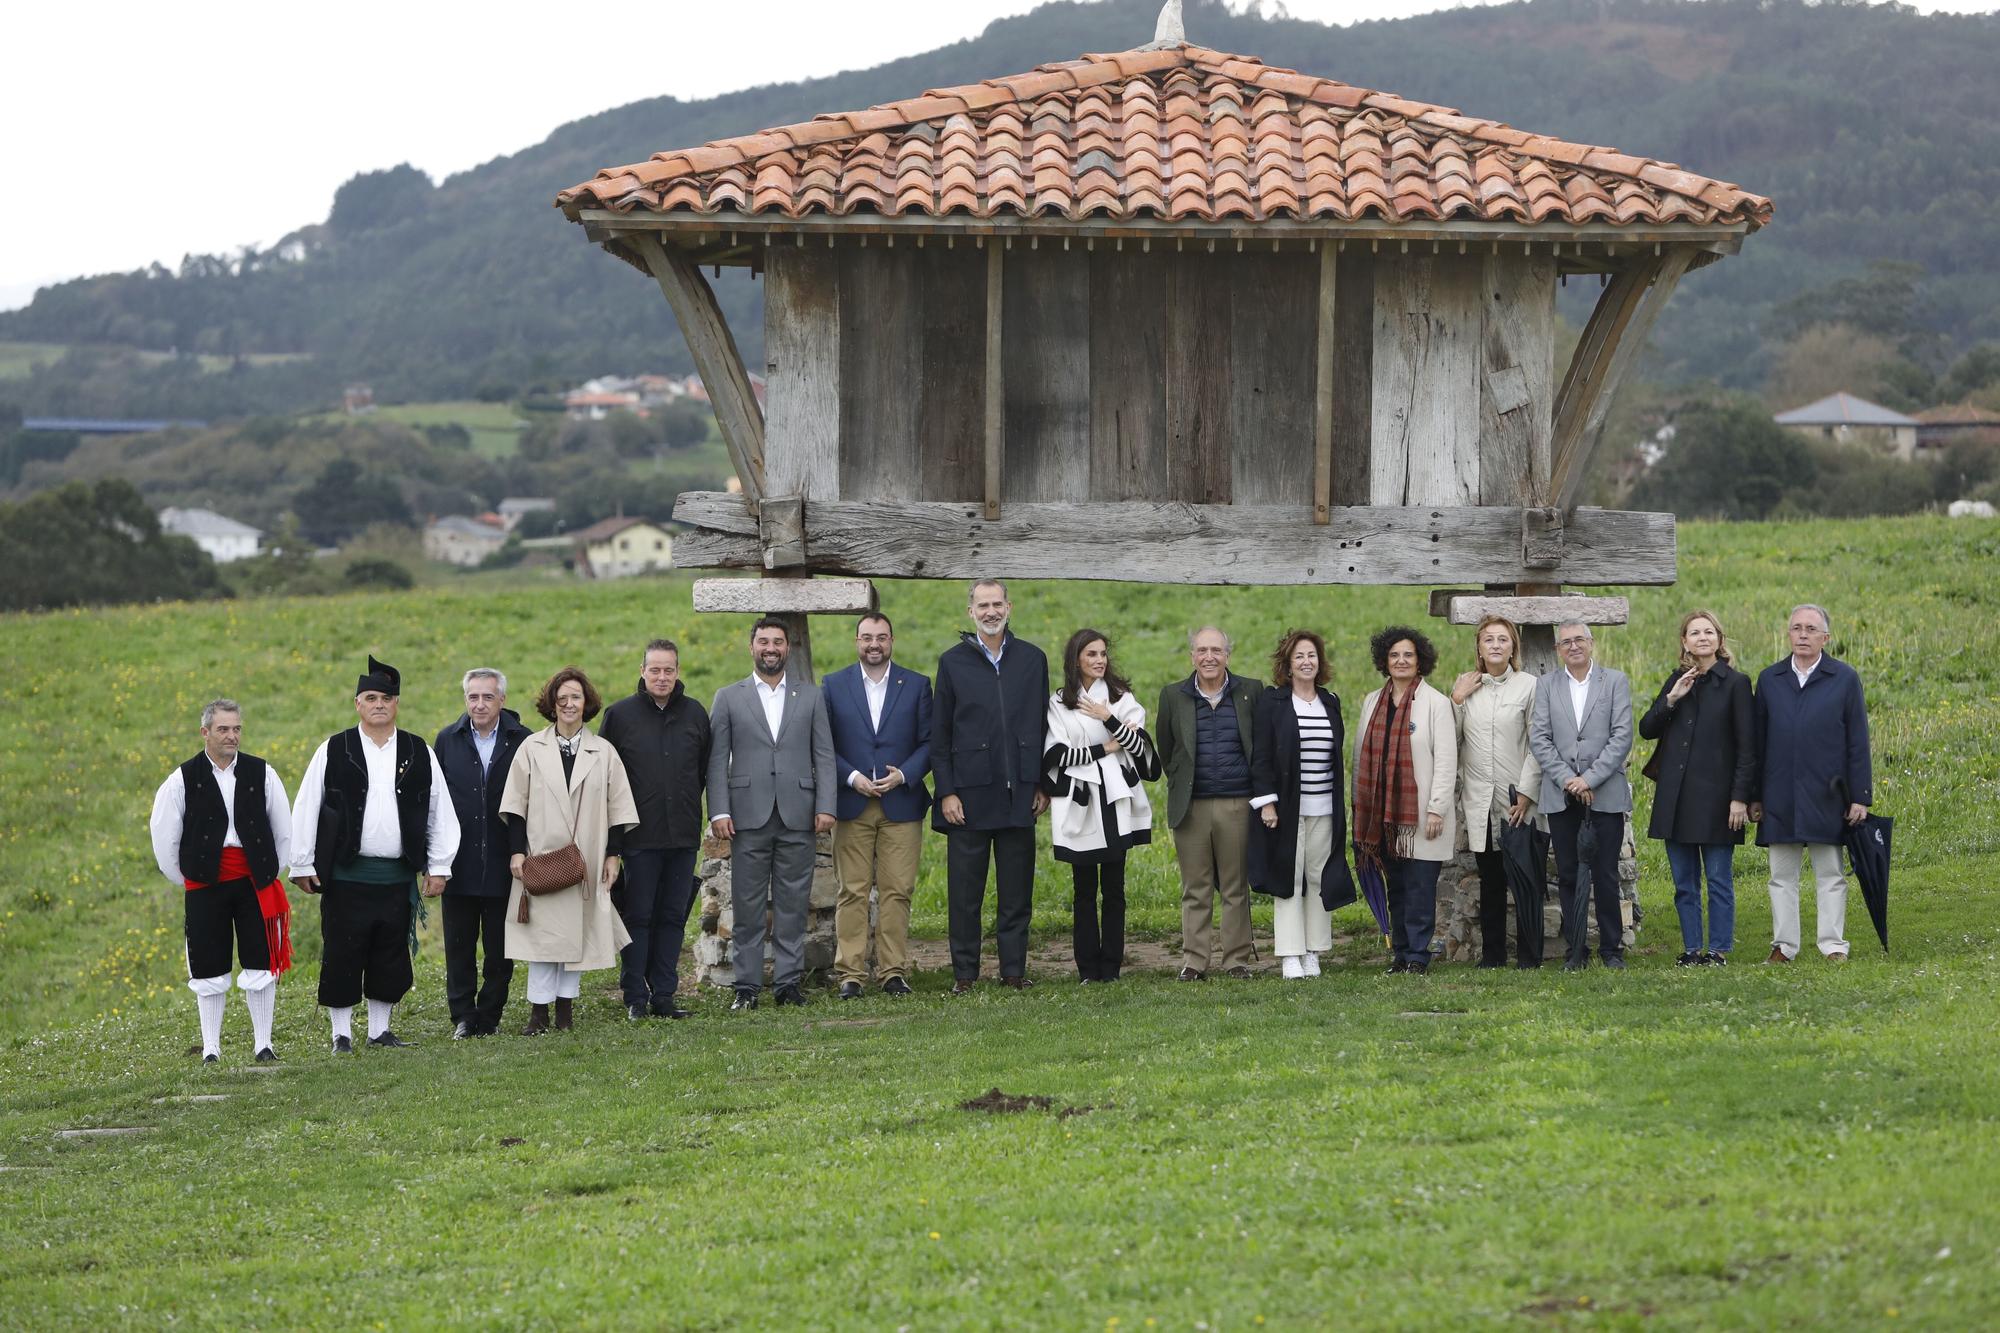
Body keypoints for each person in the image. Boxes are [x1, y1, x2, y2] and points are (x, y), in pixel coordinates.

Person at [291, 656, 460, 1051]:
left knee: (389, 954)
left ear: (397, 703)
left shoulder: (419, 751)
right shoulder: (334, 748)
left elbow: (439, 810)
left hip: (397, 875)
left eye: (386, 697)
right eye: (370, 697)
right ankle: (341, 1034)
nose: (379, 704)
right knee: (342, 951)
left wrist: (439, 865)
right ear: (357, 704)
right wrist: (301, 862)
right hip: (347, 873)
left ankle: (379, 1030)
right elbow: (307, 805)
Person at [149, 699, 294, 1064]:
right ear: (205, 733)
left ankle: (264, 1044)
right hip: (205, 884)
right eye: (223, 729)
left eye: (236, 729)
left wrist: (268, 870)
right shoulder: (181, 779)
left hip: (254, 882)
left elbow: (284, 829)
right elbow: (165, 836)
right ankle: (211, 1048)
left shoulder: (263, 773)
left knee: (260, 963)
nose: (232, 736)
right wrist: (187, 877)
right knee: (208, 964)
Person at [707, 619, 836, 1010]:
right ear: (751, 647)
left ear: (787, 649)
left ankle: (787, 983)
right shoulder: (729, 697)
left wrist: (827, 805)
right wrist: (719, 810)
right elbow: (716, 762)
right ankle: (746, 987)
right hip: (747, 815)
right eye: (763, 641)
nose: (771, 647)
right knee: (746, 906)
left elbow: (824, 756)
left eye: (778, 641)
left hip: (799, 813)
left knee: (793, 903)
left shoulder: (811, 696)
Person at [502, 666, 638, 1034]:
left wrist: (614, 855)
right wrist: (517, 852)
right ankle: (538, 1013)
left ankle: (565, 1011)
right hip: (541, 857)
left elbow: (618, 808)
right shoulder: (531, 748)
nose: (568, 704)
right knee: (542, 939)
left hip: (588, 859)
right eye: (561, 698)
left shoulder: (603, 752)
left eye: (575, 697)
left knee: (575, 939)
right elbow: (515, 804)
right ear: (551, 704)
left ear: (586, 702)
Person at [932, 579, 1051, 994]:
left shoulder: (1033, 660)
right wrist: (946, 791)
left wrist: (1040, 783)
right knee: (965, 895)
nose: (990, 611)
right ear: (971, 612)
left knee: (1016, 893)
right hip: (968, 796)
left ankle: (1013, 971)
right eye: (982, 605)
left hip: (1020, 791)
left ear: (1009, 607)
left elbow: (1042, 726)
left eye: (996, 604)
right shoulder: (952, 663)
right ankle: (965, 975)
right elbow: (940, 733)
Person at [1751, 603, 1872, 964]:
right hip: (1779, 794)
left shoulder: (1844, 678)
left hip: (1829, 794)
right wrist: (1755, 795)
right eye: (1796, 628)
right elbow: (1758, 743)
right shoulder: (1770, 679)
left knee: (1831, 874)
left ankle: (1833, 944)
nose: (1802, 635)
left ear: (1825, 637)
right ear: (1788, 634)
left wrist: (1860, 796)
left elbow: (1857, 742)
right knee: (1781, 875)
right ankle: (1784, 946)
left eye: (1810, 629)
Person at [599, 639, 712, 1020]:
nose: (661, 677)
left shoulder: (696, 714)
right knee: (638, 917)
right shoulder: (619, 716)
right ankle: (635, 996)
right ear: (642, 671)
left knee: (672, 917)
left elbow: (700, 772)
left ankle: (664, 995)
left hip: (681, 836)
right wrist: (612, 845)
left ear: (678, 672)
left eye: (668, 670)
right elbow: (607, 782)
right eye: (654, 670)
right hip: (637, 839)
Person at [823, 612, 931, 999]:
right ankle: (850, 973)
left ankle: (893, 972)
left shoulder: (917, 685)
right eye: (867, 637)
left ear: (892, 641)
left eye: (881, 637)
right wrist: (852, 777)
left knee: (897, 890)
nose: (874, 644)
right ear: (856, 641)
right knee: (851, 890)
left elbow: (929, 742)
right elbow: (825, 746)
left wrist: (903, 774)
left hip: (902, 803)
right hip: (852, 801)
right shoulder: (833, 686)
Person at [1638, 610, 1755, 966]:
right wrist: (1672, 697)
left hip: (1719, 799)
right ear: (1685, 642)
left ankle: (1717, 950)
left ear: (1719, 640)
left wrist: (1740, 798)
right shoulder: (1678, 679)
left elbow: (1747, 747)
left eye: (1708, 632)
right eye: (1694, 633)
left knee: (1719, 880)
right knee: (1684, 883)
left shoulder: (1736, 683)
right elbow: (1647, 728)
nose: (1702, 637)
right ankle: (1691, 949)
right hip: (1676, 798)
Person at [1044, 629, 1160, 984]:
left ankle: (1110, 967)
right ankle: (1086, 968)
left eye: (1103, 654)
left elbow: (1138, 745)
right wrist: (1104, 749)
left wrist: (1106, 716)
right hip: (1080, 803)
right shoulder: (1060, 701)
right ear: (1076, 658)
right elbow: (1057, 755)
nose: (1099, 660)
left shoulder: (1121, 698)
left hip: (1115, 803)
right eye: (1091, 654)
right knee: (1083, 890)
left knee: (1114, 888)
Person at [1155, 626, 1262, 981]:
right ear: (1192, 656)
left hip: (1237, 804)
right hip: (1193, 806)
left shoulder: (1250, 692)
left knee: (1234, 886)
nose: (1209, 657)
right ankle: (1194, 961)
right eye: (1202, 650)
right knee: (1195, 887)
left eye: (1216, 650)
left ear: (1227, 655)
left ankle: (1236, 960)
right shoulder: (1173, 696)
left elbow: (1259, 746)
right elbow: (1168, 750)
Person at [1248, 629, 1354, 980]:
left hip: (1325, 807)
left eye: (1312, 656)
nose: (1307, 662)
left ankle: (1313, 952)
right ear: (1288, 665)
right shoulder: (1273, 702)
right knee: (1289, 880)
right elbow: (1261, 756)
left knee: (1319, 879)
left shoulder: (1330, 701)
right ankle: (1290, 954)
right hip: (1288, 810)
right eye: (1299, 657)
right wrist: (1267, 804)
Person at [1528, 622, 1634, 971]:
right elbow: (1539, 738)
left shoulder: (1614, 681)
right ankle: (1576, 949)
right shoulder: (1546, 685)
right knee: (1570, 873)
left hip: (1604, 793)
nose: (1573, 646)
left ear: (1591, 643)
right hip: (1562, 795)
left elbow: (1621, 737)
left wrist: (1588, 779)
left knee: (1605, 873)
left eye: (1579, 640)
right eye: (1566, 642)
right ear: (1558, 649)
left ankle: (1611, 948)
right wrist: (1568, 779)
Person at [1354, 626, 1459, 975]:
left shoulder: (1436, 703)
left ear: (1420, 662)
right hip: (1382, 815)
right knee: (1395, 887)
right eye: (1395, 655)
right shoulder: (1372, 701)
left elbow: (1446, 760)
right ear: (1385, 660)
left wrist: (1436, 808)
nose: (1401, 661)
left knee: (1419, 888)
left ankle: (1417, 955)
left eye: (1408, 655)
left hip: (1421, 815)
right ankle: (1399, 953)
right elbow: (1360, 758)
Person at [434, 668, 531, 1038]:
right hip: (458, 862)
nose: (479, 704)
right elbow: (436, 804)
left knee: (499, 948)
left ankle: (489, 1015)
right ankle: (463, 1016)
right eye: (473, 697)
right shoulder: (448, 740)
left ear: (502, 700)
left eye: (488, 697)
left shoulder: (522, 741)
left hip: (506, 862)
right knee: (458, 946)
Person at [1450, 615, 1543, 968]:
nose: (1495, 645)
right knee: (1491, 880)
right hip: (1480, 799)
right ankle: (1492, 956)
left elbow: (1538, 743)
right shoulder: (1466, 687)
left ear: (1513, 647)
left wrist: (1527, 792)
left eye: (1503, 639)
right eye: (1488, 639)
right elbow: (1451, 740)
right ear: (1479, 646)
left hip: (1517, 800)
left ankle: (1530, 956)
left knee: (1524, 878)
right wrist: (1456, 700)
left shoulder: (1529, 686)